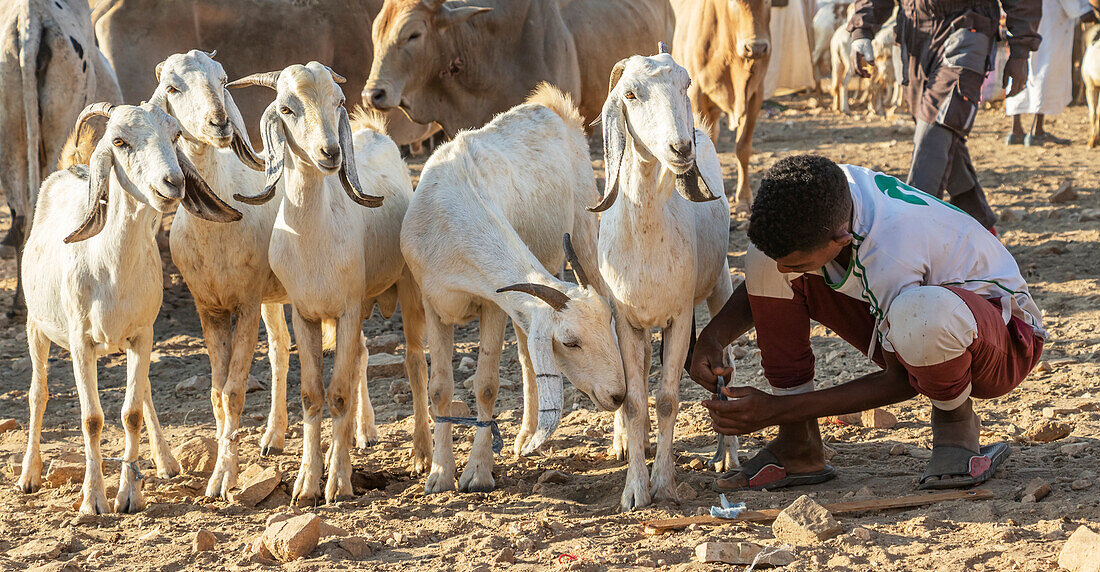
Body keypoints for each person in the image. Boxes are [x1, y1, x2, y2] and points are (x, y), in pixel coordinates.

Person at [690, 155, 1046, 491]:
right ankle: (799, 443)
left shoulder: (889, 249)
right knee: (766, 257)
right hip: (920, 313)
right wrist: (714, 336)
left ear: (841, 240)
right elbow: (775, 269)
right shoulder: (825, 196)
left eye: (797, 265)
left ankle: (956, 422)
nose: (788, 272)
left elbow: (900, 382)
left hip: (1003, 340)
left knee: (919, 315)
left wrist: (773, 410)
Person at [847, 0, 1041, 230]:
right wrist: (862, 30)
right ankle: (982, 230)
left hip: (968, 28)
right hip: (915, 37)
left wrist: (1020, 51)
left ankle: (910, 233)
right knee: (942, 140)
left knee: (935, 130)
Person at [1006, 0, 1092, 145]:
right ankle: (1037, 131)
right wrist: (1086, 11)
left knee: (1023, 64)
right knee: (1045, 67)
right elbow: (1074, 7)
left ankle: (1016, 130)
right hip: (1049, 20)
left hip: (1023, 17)